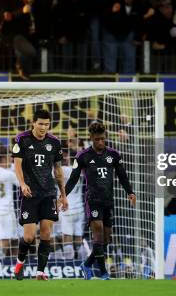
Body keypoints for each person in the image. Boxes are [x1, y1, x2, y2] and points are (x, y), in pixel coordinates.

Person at [65, 122, 136, 280]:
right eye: (97, 139)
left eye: (103, 139)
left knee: (106, 240)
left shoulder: (114, 155)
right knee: (97, 235)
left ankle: (87, 264)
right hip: (93, 201)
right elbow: (73, 179)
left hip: (108, 201)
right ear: (91, 138)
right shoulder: (83, 156)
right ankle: (103, 273)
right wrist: (63, 195)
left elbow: (122, 176)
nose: (100, 142)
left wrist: (130, 191)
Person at [12, 109, 68, 281]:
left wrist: (63, 194)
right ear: (33, 123)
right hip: (30, 194)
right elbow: (18, 165)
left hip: (48, 194)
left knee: (45, 233)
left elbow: (57, 170)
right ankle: (19, 264)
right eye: (40, 123)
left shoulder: (55, 142)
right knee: (28, 237)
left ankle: (40, 272)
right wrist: (22, 184)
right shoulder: (22, 139)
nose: (43, 127)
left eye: (46, 124)